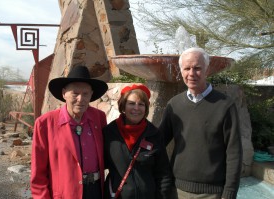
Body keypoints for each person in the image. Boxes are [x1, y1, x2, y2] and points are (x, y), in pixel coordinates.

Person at [159, 47, 243, 199]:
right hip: (177, 191)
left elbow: (234, 153)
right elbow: (158, 142)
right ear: (181, 71)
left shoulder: (225, 105)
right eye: (187, 68)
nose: (191, 74)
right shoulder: (174, 105)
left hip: (212, 193)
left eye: (197, 68)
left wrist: (229, 193)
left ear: (207, 70)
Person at [30, 65, 108, 199]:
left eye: (85, 94)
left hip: (96, 191)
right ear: (64, 93)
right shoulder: (45, 123)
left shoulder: (98, 118)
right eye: (75, 93)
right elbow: (38, 174)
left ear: (91, 95)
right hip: (65, 193)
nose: (80, 99)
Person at [103, 84, 173, 199]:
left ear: (146, 108)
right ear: (123, 106)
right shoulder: (109, 133)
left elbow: (163, 173)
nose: (136, 108)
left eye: (141, 104)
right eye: (131, 103)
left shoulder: (154, 134)